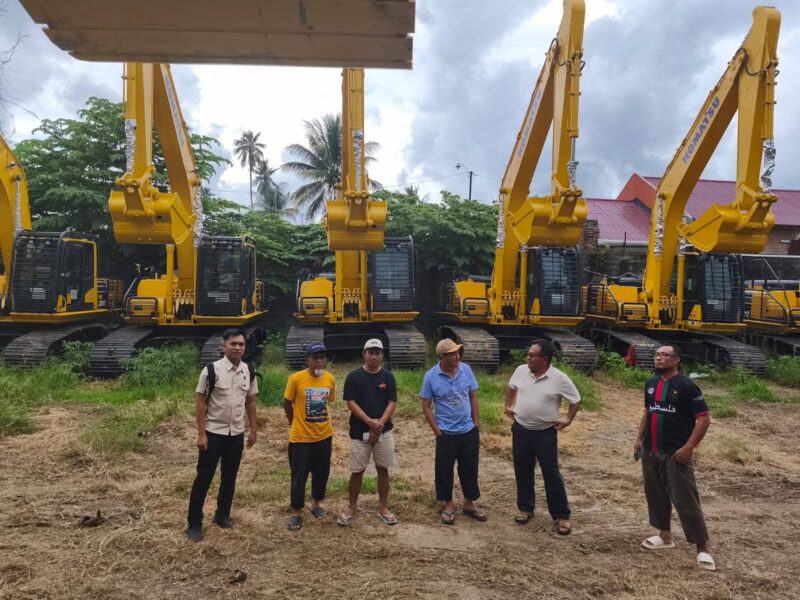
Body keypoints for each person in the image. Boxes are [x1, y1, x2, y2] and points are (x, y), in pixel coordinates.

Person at [635, 344, 715, 571]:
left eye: (664, 355)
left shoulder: (687, 387)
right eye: (657, 355)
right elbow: (648, 412)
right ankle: (665, 535)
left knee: (686, 500)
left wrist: (689, 447)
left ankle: (702, 547)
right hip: (652, 451)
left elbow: (703, 419)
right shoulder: (651, 384)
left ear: (676, 360)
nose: (659, 358)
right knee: (656, 495)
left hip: (675, 454)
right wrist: (639, 439)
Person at [186, 328, 258, 542]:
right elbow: (200, 402)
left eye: (241, 344)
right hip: (213, 433)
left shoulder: (248, 371)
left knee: (230, 477)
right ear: (223, 346)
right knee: (204, 478)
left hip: (235, 434)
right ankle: (194, 523)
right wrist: (201, 434)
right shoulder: (211, 370)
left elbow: (251, 402)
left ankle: (222, 515)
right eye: (233, 344)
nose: (237, 348)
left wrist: (253, 430)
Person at [504, 339, 580, 535]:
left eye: (532, 355)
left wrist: (568, 419)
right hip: (521, 429)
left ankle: (561, 516)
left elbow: (575, 400)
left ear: (544, 359)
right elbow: (511, 387)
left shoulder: (559, 378)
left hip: (545, 433)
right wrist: (508, 405)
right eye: (528, 354)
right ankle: (525, 508)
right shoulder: (521, 370)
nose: (527, 358)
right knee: (522, 469)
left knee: (551, 473)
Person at [420, 338, 486, 525]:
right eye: (453, 354)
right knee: (444, 470)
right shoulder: (431, 376)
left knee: (470, 468)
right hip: (446, 433)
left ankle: (469, 503)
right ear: (442, 356)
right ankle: (448, 504)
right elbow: (426, 406)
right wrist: (437, 431)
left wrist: (476, 423)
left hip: (468, 431)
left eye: (458, 353)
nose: (457, 356)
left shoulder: (466, 370)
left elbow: (473, 396)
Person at [337, 338, 398, 527]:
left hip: (384, 432)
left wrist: (379, 423)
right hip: (359, 432)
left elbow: (392, 402)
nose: (374, 356)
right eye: (370, 352)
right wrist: (369, 422)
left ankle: (383, 507)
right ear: (364, 354)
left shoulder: (388, 377)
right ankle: (352, 507)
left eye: (377, 352)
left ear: (382, 355)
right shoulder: (354, 376)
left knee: (383, 469)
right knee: (357, 471)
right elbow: (350, 402)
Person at [283, 341, 335, 531]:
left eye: (322, 357)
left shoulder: (329, 378)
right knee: (299, 475)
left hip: (324, 435)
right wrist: (294, 422)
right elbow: (287, 403)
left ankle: (316, 504)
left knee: (321, 472)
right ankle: (296, 511)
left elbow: (329, 401)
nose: (320, 361)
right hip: (301, 438)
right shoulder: (296, 379)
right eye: (315, 358)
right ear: (308, 360)